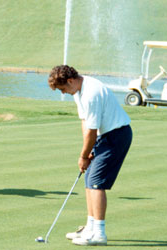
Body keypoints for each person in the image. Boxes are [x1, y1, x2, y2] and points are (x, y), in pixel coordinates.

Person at [48, 65, 132, 246]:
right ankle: (90, 227)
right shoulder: (78, 90)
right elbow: (85, 123)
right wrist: (88, 150)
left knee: (96, 182)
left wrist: (83, 155)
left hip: (116, 135)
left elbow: (91, 131)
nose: (64, 93)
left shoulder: (90, 94)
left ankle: (99, 234)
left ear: (70, 81)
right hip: (105, 135)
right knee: (89, 179)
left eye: (63, 89)